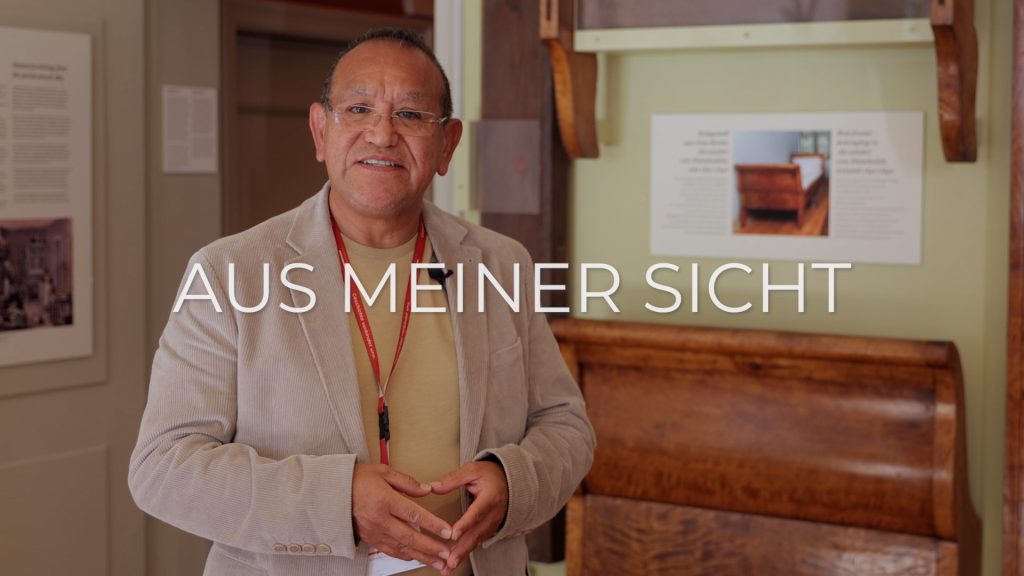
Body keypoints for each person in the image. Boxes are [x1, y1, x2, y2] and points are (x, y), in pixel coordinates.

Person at [128, 27, 594, 576]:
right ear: (320, 130)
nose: (382, 134)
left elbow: (565, 425)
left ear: (447, 144)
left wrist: (513, 482)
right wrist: (336, 502)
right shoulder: (230, 273)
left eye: (411, 115)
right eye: (358, 109)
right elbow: (163, 467)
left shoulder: (500, 264)